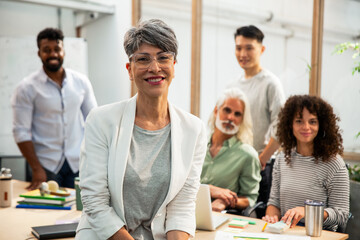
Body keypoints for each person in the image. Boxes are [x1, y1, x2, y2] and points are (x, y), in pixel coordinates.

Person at [75, 19, 207, 240]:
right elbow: (95, 202)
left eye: (163, 57)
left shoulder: (194, 129)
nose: (154, 68)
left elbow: (182, 206)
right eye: (143, 59)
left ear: (174, 65)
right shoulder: (101, 120)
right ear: (130, 69)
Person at [11, 28, 97, 189]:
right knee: (44, 212)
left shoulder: (81, 82)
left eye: (57, 49)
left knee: (79, 210)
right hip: (45, 166)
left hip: (77, 164)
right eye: (46, 50)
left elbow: (93, 120)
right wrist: (36, 169)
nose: (53, 54)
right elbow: (20, 132)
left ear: (63, 51)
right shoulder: (26, 88)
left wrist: (93, 160)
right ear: (39, 53)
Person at [262, 95, 349, 232]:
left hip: (319, 235)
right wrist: (271, 217)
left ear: (321, 125)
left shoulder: (334, 164)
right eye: (299, 121)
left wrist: (308, 212)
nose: (306, 127)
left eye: (312, 122)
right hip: (286, 232)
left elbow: (342, 215)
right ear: (290, 124)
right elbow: (274, 203)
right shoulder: (282, 158)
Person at [228, 25, 285, 168]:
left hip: (261, 164)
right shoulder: (232, 85)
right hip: (234, 163)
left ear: (262, 49)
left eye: (249, 48)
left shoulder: (271, 83)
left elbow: (281, 127)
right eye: (239, 48)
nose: (243, 54)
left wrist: (261, 160)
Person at [201, 88, 261, 212]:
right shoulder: (196, 144)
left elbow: (249, 199)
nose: (230, 117)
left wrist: (225, 200)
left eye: (237, 114)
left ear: (242, 119)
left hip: (220, 216)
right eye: (227, 110)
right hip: (184, 212)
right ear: (216, 111)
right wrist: (211, 190)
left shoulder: (247, 155)